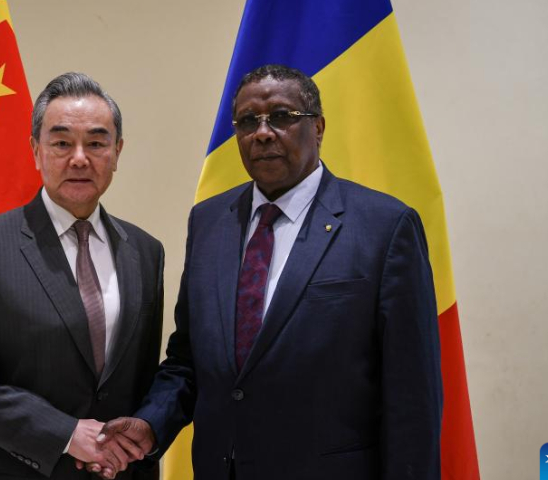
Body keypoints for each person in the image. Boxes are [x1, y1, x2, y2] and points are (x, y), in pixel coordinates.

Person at [95, 64, 443, 480]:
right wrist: (151, 423)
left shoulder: (384, 226)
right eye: (247, 121)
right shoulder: (209, 222)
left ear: (318, 127)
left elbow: (412, 396)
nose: (262, 133)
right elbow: (190, 359)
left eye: (281, 117)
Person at [0, 72, 164, 480]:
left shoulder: (146, 251)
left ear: (117, 152)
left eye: (96, 143)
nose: (79, 158)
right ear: (36, 151)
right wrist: (64, 433)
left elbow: (141, 379)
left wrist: (139, 436)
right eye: (62, 142)